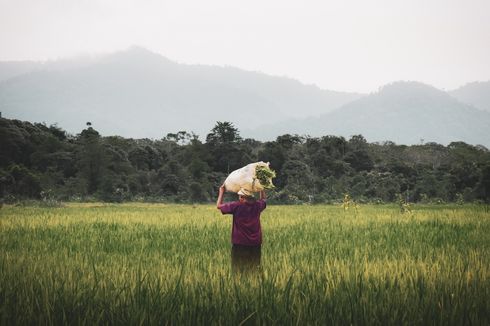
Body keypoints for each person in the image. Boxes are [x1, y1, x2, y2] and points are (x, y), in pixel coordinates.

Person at [216, 185, 266, 273]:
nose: (239, 198)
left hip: (240, 243)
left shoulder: (236, 206)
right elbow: (264, 200)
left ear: (243, 197)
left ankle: (239, 285)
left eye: (240, 196)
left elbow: (219, 206)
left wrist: (221, 192)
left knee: (238, 270)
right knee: (254, 269)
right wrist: (261, 189)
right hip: (255, 243)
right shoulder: (257, 205)